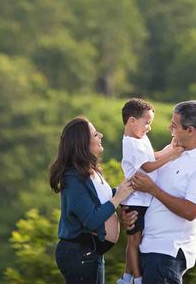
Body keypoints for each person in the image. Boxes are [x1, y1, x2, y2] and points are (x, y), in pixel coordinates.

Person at [130, 101, 196, 284]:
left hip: (167, 253)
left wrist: (153, 190)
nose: (169, 128)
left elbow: (190, 212)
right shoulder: (172, 149)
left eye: (174, 125)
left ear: (191, 131)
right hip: (147, 247)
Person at [50, 116, 136, 284]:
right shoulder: (73, 178)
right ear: (83, 142)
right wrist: (118, 197)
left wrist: (123, 189)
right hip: (80, 253)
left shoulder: (90, 171)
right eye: (96, 134)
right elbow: (91, 219)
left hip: (90, 252)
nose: (101, 136)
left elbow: (101, 201)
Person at [116, 98, 184, 284]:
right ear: (132, 121)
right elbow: (148, 166)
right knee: (134, 241)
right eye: (146, 123)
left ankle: (128, 275)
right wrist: (171, 156)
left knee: (138, 240)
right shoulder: (130, 143)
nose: (149, 127)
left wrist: (170, 148)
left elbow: (152, 156)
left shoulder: (141, 139)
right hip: (135, 200)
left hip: (145, 200)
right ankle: (135, 278)